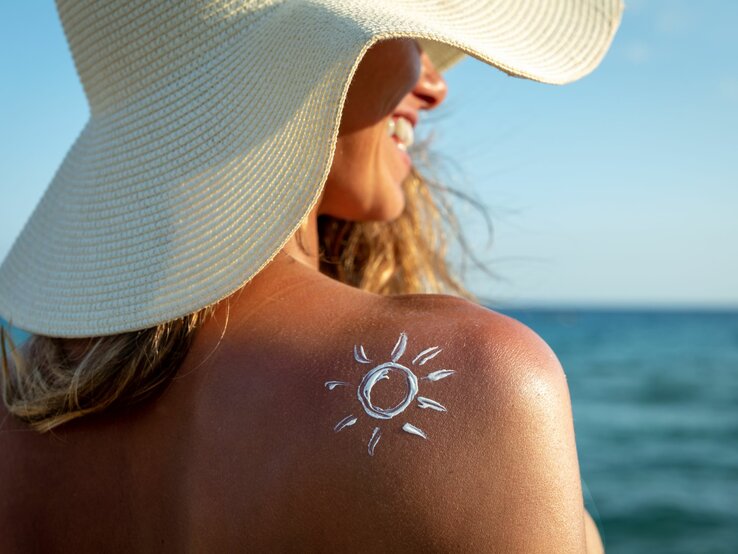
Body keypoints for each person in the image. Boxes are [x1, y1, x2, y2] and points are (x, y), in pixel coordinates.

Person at [0, 1, 621, 551]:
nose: (434, 85)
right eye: (404, 34)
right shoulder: (477, 380)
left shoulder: (21, 433)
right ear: (300, 54)